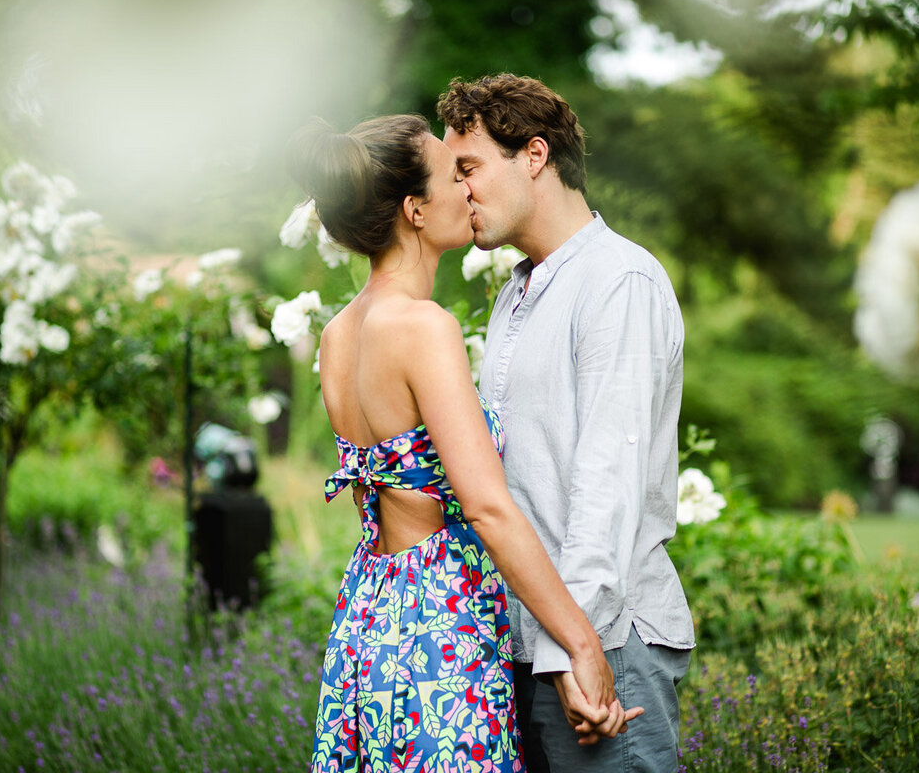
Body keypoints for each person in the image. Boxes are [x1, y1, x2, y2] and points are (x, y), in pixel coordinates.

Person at [288, 114, 642, 773]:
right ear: (415, 209)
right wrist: (581, 643)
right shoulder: (423, 328)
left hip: (368, 614)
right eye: (455, 174)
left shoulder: (339, 335)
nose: (470, 188)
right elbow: (487, 508)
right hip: (437, 627)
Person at [437, 74, 695, 773]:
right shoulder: (515, 296)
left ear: (534, 156)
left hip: (603, 642)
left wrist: (569, 652)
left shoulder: (619, 281)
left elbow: (604, 489)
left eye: (470, 169)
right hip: (527, 643)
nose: (459, 191)